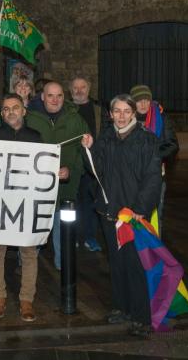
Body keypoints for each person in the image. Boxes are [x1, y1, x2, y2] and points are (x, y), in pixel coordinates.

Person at [80, 94, 162, 337]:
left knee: (135, 265)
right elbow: (97, 170)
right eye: (117, 110)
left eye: (127, 111)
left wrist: (140, 210)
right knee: (116, 264)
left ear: (134, 113)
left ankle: (142, 317)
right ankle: (121, 307)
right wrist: (88, 149)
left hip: (133, 214)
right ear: (111, 113)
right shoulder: (106, 137)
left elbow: (152, 178)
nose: (122, 115)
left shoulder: (146, 140)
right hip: (110, 212)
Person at [0, 93, 42, 322]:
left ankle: (26, 299)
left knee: (28, 251)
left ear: (24, 111)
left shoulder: (35, 137)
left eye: (15, 108)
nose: (10, 112)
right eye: (6, 109)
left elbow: (43, 167)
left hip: (25, 203)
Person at [25, 81, 89, 270]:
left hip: (66, 190)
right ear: (43, 97)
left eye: (59, 95)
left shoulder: (75, 119)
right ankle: (27, 265)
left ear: (64, 97)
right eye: (50, 95)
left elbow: (84, 152)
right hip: (36, 190)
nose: (55, 100)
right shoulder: (29, 118)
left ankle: (64, 266)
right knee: (34, 229)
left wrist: (71, 169)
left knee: (63, 230)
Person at [130, 84, 179, 236]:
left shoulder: (162, 118)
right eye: (139, 101)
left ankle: (153, 247)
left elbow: (172, 145)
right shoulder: (126, 118)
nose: (143, 104)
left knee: (154, 213)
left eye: (146, 100)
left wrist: (153, 157)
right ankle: (134, 247)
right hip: (131, 176)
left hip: (156, 175)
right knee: (132, 213)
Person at [69, 77, 105, 252]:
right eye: (75, 87)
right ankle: (72, 236)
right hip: (73, 165)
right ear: (70, 90)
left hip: (93, 166)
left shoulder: (99, 110)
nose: (79, 90)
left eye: (83, 87)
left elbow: (105, 135)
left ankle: (90, 237)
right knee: (71, 203)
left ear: (89, 89)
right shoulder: (67, 109)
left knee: (92, 204)